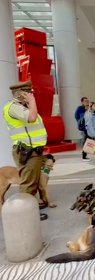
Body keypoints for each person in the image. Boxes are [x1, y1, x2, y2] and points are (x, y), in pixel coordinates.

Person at [2, 81, 48, 221]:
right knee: (28, 184)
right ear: (20, 94)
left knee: (32, 183)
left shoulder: (23, 107)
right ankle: (25, 216)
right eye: (28, 92)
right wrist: (32, 101)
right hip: (27, 151)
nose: (31, 94)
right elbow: (32, 118)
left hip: (33, 151)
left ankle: (30, 210)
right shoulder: (13, 108)